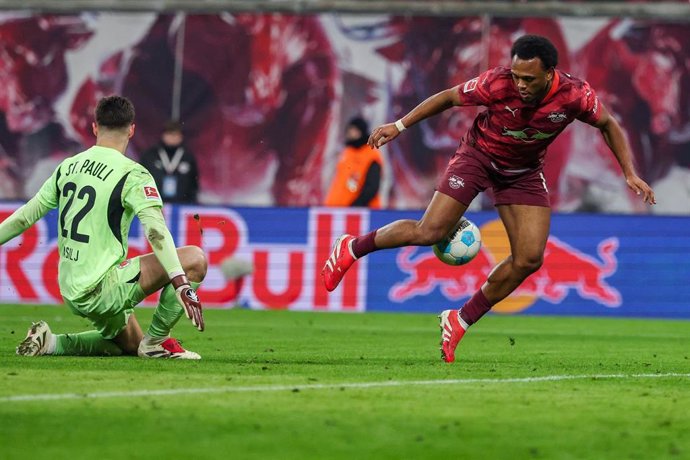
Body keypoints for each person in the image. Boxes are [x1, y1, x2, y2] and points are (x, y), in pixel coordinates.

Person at [321, 35, 655, 363]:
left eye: (528, 78)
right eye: (516, 76)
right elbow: (449, 97)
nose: (520, 84)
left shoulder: (575, 95)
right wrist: (399, 125)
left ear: (550, 74)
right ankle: (351, 247)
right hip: (477, 157)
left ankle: (460, 319)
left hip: (522, 172)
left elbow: (608, 124)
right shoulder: (496, 83)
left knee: (529, 259)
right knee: (431, 232)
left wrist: (629, 172)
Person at [1, 95, 207, 359]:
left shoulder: (68, 167)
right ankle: (157, 341)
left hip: (70, 288)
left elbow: (23, 218)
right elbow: (155, 231)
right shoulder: (133, 174)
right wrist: (179, 281)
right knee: (195, 259)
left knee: (130, 344)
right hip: (103, 288)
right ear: (132, 129)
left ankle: (51, 343)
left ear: (95, 127)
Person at [324, 117, 384, 208]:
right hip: (337, 208)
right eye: (350, 129)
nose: (351, 133)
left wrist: (356, 206)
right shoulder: (347, 152)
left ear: (362, 132)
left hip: (359, 212)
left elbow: (372, 187)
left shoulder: (371, 155)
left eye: (355, 130)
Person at [139, 120, 199, 203]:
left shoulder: (188, 156)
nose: (173, 137)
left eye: (176, 134)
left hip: (182, 205)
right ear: (163, 135)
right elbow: (140, 178)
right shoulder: (151, 155)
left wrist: (191, 202)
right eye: (170, 134)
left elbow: (194, 184)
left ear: (181, 136)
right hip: (154, 203)